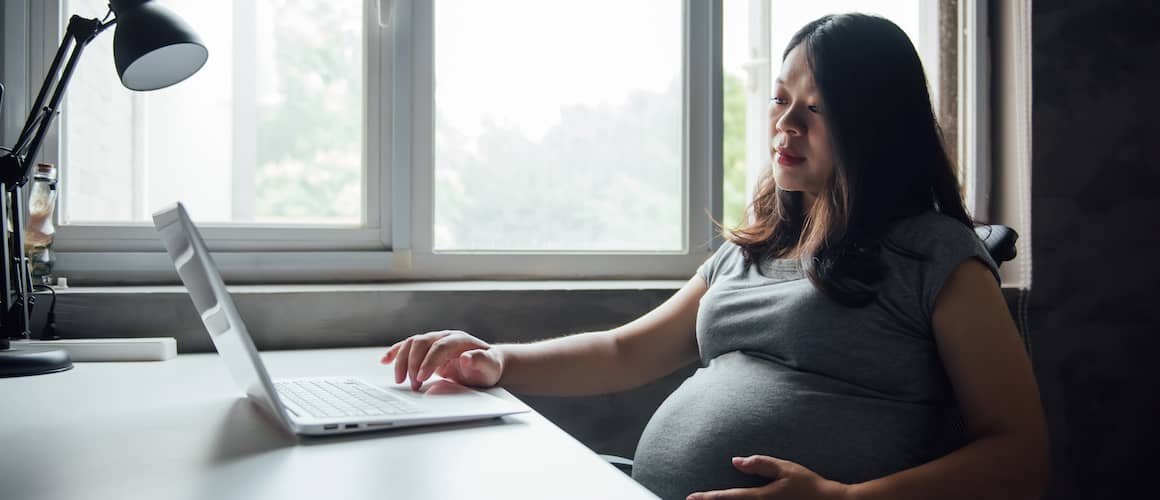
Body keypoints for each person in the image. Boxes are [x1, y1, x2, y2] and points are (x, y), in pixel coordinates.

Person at [381, 13, 1049, 500]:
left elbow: (1019, 455)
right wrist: (496, 360)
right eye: (781, 100)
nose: (787, 125)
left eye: (818, 109)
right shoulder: (754, 249)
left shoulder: (939, 256)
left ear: (877, 128)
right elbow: (625, 353)